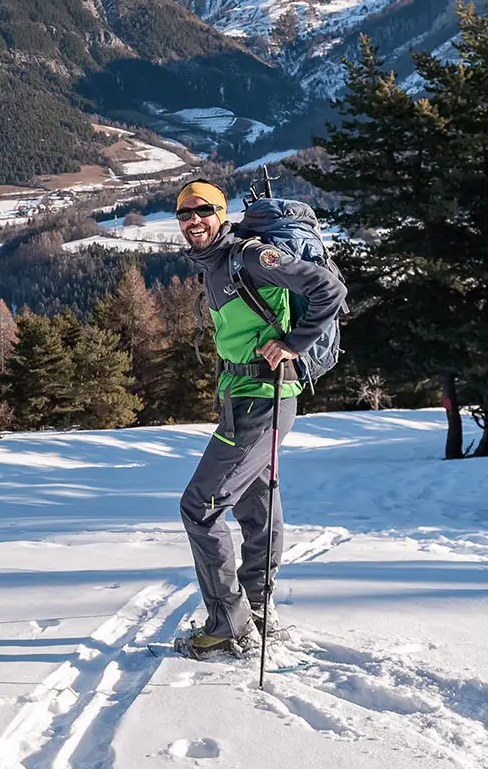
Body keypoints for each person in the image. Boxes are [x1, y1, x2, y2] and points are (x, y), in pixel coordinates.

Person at [171, 179, 346, 660]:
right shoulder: (214, 266)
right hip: (244, 397)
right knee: (256, 504)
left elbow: (329, 288)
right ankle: (257, 608)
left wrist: (294, 343)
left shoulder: (248, 257)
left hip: (263, 399)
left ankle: (228, 623)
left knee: (199, 508)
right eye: (184, 214)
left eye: (203, 211)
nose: (193, 221)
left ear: (221, 213)